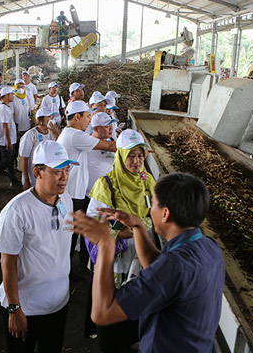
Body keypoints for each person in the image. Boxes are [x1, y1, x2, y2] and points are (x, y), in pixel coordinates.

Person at [70, 172, 225, 353]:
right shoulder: (208, 246)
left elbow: (102, 313)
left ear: (165, 213)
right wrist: (138, 227)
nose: (150, 210)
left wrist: (105, 244)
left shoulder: (173, 267)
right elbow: (160, 267)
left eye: (153, 204)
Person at [0, 140, 78, 353]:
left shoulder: (65, 200)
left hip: (58, 303)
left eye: (67, 170)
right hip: (27, 307)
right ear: (37, 172)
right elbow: (8, 261)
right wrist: (15, 309)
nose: (64, 177)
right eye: (57, 171)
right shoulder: (17, 211)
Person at [84, 129, 155, 351]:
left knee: (134, 309)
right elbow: (93, 225)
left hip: (140, 259)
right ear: (121, 156)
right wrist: (132, 230)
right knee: (111, 313)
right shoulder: (105, 185)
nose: (136, 161)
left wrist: (138, 227)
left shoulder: (147, 180)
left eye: (140, 155)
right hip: (115, 261)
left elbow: (155, 215)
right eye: (130, 156)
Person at [57, 101, 116, 275]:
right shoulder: (75, 135)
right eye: (88, 116)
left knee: (76, 233)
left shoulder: (71, 134)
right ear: (77, 116)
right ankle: (67, 275)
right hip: (73, 195)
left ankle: (76, 270)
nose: (89, 121)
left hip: (76, 193)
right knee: (71, 236)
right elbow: (109, 146)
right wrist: (136, 148)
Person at [19, 108, 58, 190]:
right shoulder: (30, 135)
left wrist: (57, 134)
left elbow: (58, 150)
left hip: (46, 176)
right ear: (40, 119)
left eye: (52, 117)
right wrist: (26, 180)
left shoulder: (52, 134)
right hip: (32, 178)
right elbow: (24, 158)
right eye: (49, 117)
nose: (51, 119)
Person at [0, 86, 20, 186]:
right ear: (6, 96)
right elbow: (5, 126)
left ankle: (14, 181)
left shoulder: (6, 107)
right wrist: (9, 142)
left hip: (9, 140)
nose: (13, 96)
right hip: (5, 141)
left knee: (9, 162)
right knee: (5, 163)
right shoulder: (3, 108)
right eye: (11, 94)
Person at [86, 112, 117, 197]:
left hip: (111, 193)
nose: (111, 128)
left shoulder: (112, 141)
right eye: (107, 126)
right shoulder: (87, 145)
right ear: (95, 129)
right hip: (92, 195)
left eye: (111, 125)